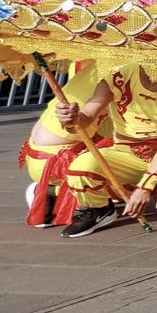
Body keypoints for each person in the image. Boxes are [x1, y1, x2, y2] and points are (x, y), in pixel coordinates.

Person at [56, 68, 157, 236]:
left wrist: (146, 187)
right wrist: (71, 118)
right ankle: (99, 210)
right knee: (81, 168)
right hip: (125, 151)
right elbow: (86, 118)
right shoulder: (118, 75)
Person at [19, 60, 102, 228]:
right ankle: (64, 193)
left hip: (37, 155)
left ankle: (49, 192)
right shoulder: (115, 71)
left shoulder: (83, 62)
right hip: (62, 160)